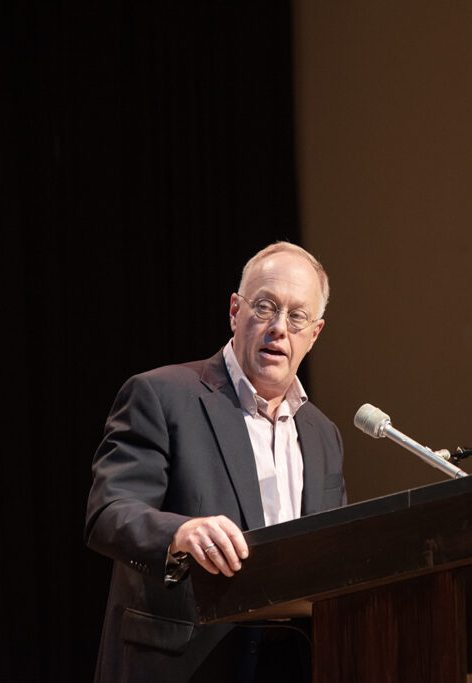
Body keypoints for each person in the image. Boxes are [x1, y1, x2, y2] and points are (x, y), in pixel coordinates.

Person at [84, 242, 346, 682]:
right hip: (184, 665)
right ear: (234, 310)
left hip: (293, 664)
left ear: (314, 333)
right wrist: (180, 532)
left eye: (297, 316)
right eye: (265, 307)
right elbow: (109, 512)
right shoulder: (162, 395)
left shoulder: (324, 435)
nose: (279, 328)